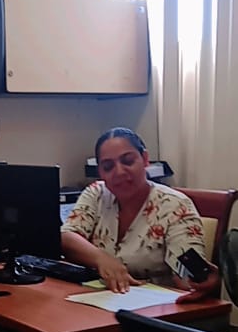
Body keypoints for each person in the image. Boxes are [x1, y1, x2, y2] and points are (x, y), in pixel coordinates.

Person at [61, 126, 220, 298]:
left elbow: (186, 276)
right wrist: (102, 259)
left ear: (145, 159)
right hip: (98, 299)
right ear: (100, 172)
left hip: (155, 305)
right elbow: (66, 237)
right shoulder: (96, 193)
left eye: (128, 161)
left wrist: (198, 281)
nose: (119, 172)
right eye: (108, 166)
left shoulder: (175, 205)